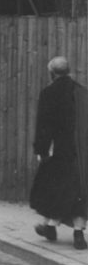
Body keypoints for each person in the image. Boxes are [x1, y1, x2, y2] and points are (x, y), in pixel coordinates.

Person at [30, 56, 88, 250]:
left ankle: (51, 227)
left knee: (55, 188)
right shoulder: (82, 93)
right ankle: (78, 233)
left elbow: (44, 126)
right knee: (78, 191)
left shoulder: (48, 93)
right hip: (80, 152)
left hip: (59, 150)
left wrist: (41, 150)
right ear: (68, 71)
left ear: (52, 73)